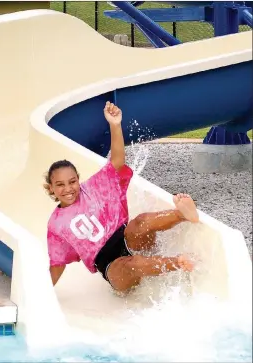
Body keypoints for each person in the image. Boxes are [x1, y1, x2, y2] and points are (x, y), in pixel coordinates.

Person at [44, 102, 199, 293]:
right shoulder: (56, 224)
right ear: (51, 188)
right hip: (112, 267)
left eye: (72, 181)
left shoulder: (92, 188)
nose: (68, 188)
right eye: (60, 185)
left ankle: (183, 214)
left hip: (129, 239)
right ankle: (179, 262)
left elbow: (117, 162)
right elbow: (58, 264)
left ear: (78, 179)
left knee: (140, 222)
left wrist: (115, 125)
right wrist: (42, 294)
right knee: (131, 264)